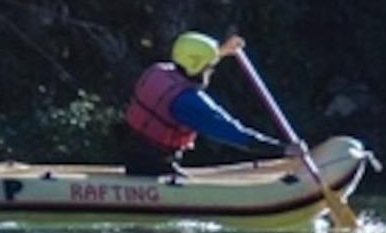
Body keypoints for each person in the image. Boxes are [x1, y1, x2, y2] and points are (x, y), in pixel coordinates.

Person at [120, 30, 287, 173]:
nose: (212, 70)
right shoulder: (187, 101)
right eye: (210, 65)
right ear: (197, 65)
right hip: (152, 170)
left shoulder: (158, 71)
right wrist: (282, 149)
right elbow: (233, 132)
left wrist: (221, 52)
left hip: (133, 158)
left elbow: (192, 65)